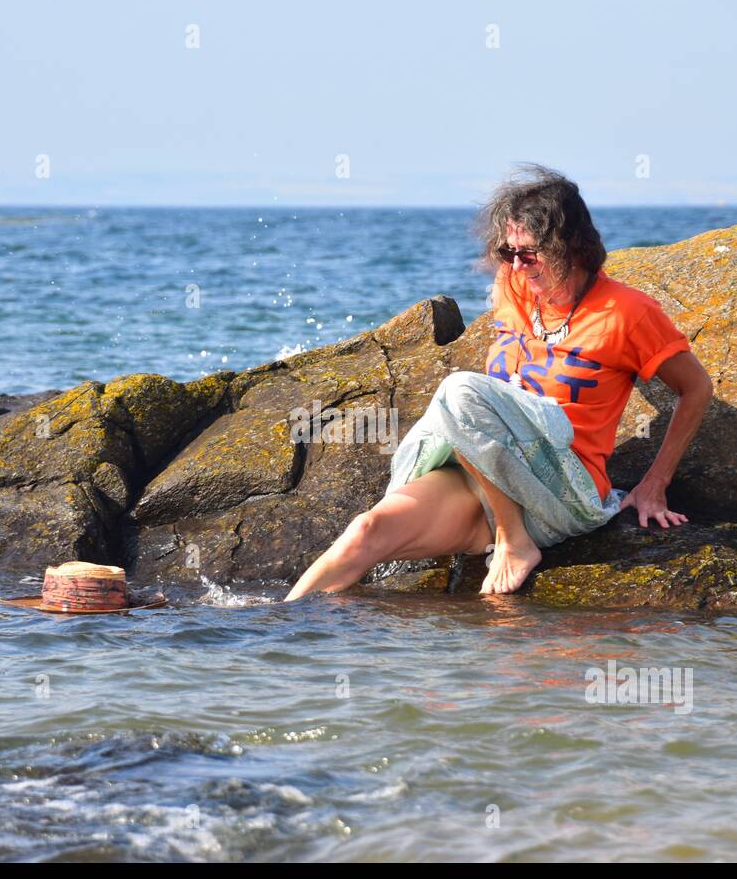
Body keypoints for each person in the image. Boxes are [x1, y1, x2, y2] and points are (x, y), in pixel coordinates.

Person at [284, 164, 713, 601]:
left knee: (458, 392)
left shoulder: (627, 313)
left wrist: (653, 484)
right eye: (509, 253)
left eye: (529, 253)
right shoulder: (515, 285)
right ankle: (275, 634)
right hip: (485, 472)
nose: (516, 265)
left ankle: (514, 540)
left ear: (572, 245)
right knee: (366, 530)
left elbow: (696, 388)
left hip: (560, 490)